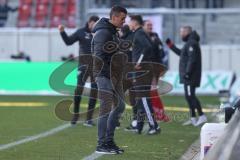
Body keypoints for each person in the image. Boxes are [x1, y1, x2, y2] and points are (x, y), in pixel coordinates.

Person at [92, 6, 127, 154]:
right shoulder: (103, 33)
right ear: (114, 17)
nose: (124, 21)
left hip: (113, 75)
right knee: (106, 108)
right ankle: (101, 144)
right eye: (122, 18)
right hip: (104, 75)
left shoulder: (113, 32)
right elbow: (99, 57)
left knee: (120, 106)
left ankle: (108, 141)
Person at [58, 15, 99, 127]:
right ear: (89, 22)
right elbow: (68, 42)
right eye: (94, 24)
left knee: (94, 91)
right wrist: (62, 32)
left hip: (96, 67)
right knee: (79, 90)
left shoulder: (99, 34)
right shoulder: (81, 32)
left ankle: (89, 119)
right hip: (82, 66)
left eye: (97, 25)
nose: (95, 26)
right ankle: (75, 115)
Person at [166, 26, 207, 126]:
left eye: (181, 32)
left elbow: (192, 60)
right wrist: (171, 46)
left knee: (190, 96)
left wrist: (187, 73)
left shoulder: (191, 43)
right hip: (188, 75)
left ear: (186, 32)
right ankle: (193, 118)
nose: (180, 34)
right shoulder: (189, 43)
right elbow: (182, 54)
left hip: (190, 76)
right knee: (188, 96)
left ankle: (201, 116)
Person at [129, 15, 160, 135]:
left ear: (134, 22)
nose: (129, 23)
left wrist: (139, 62)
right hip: (143, 70)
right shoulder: (139, 33)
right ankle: (139, 126)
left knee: (143, 98)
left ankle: (154, 126)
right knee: (141, 99)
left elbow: (148, 47)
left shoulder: (139, 33)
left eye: (130, 21)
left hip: (141, 70)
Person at [143, 20, 170, 122]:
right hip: (143, 69)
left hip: (152, 70)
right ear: (143, 26)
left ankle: (159, 114)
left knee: (152, 92)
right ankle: (154, 114)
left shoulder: (155, 37)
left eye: (151, 25)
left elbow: (161, 53)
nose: (150, 27)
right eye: (148, 25)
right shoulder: (141, 37)